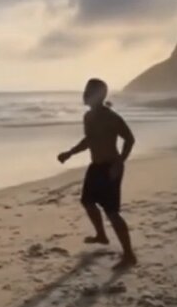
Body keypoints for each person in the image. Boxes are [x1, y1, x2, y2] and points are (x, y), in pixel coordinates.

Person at [58, 78, 137, 268]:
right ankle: (101, 235)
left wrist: (120, 162)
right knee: (87, 201)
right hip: (96, 166)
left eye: (89, 91)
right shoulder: (88, 117)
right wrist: (70, 153)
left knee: (112, 212)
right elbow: (89, 140)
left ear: (99, 95)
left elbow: (129, 139)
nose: (85, 94)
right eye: (85, 90)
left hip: (111, 166)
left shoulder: (111, 117)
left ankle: (129, 255)